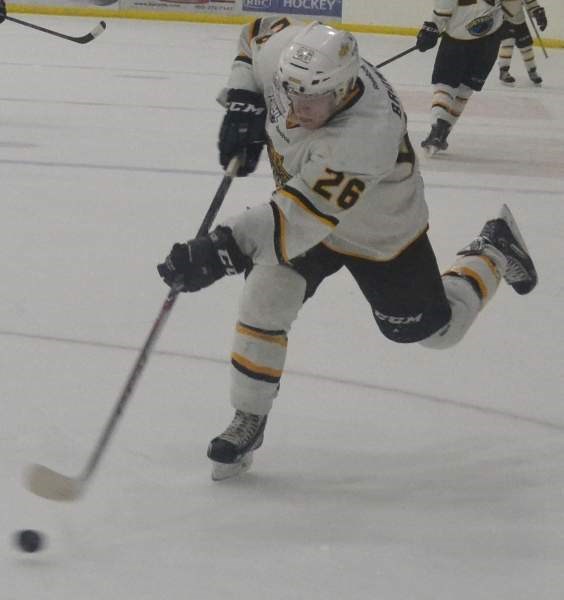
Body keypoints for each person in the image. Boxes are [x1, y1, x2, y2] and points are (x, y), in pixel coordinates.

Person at [158, 18, 538, 481]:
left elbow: (296, 221)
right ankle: (250, 418)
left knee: (435, 331)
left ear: (343, 90)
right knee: (265, 295)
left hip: (378, 231)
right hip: (303, 205)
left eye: (312, 99)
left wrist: (221, 249)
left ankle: (494, 249)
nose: (296, 109)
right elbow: (254, 32)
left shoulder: (367, 134)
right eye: (289, 93)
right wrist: (244, 97)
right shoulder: (292, 61)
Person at [416, 0, 506, 155]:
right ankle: (443, 131)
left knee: (445, 84)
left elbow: (444, 8)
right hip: (490, 40)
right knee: (465, 89)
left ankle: (438, 126)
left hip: (458, 39)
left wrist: (431, 28)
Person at [498, 0, 547, 87]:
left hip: (519, 19)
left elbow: (530, 2)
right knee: (508, 42)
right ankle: (503, 71)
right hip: (503, 18)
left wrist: (538, 14)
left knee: (526, 46)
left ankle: (532, 71)